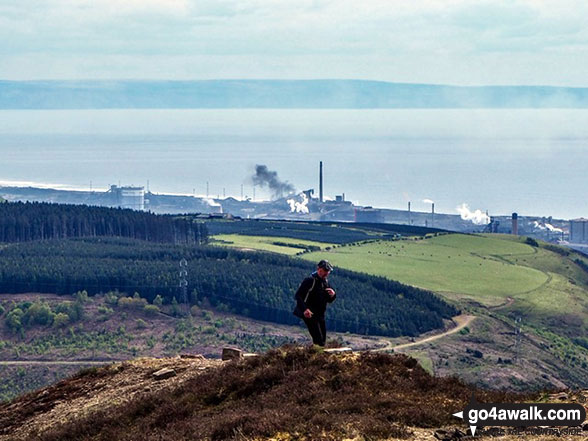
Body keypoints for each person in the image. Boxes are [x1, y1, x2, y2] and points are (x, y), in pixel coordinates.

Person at [293, 259, 336, 346]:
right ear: (319, 269)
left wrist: (333, 295)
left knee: (322, 340)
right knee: (318, 339)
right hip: (310, 314)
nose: (327, 273)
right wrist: (305, 310)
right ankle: (317, 356)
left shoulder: (325, 282)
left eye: (328, 271)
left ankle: (318, 355)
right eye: (325, 271)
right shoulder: (310, 281)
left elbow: (329, 300)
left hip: (320, 314)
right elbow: (298, 296)